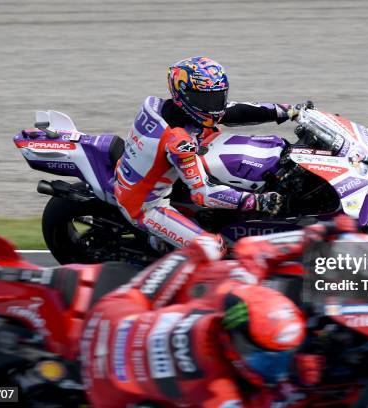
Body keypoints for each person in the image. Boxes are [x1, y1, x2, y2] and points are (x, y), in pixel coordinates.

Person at [114, 56, 304, 253]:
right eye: (206, 99)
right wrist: (256, 201)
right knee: (215, 249)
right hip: (146, 205)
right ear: (183, 94)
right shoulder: (179, 141)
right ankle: (161, 251)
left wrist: (290, 111)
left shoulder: (165, 106)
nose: (214, 107)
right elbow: (202, 193)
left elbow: (236, 111)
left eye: (218, 97)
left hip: (155, 172)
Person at [81, 256, 306, 407]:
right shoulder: (217, 389)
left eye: (282, 356)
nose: (275, 369)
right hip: (107, 391)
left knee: (200, 252)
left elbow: (251, 253)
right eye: (262, 358)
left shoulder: (219, 300)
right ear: (234, 340)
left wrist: (322, 231)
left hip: (114, 316)